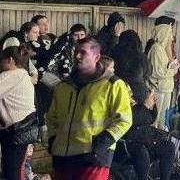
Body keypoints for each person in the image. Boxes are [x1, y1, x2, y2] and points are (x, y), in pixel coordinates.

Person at [46, 38, 132, 180]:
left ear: (96, 57)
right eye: (76, 52)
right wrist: (53, 140)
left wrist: (102, 142)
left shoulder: (112, 85)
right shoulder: (63, 87)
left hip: (93, 157)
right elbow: (51, 118)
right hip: (62, 157)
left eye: (83, 53)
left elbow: (124, 120)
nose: (77, 56)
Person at [123, 83, 176, 180]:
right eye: (128, 92)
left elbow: (150, 119)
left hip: (147, 141)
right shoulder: (122, 106)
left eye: (131, 92)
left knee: (169, 147)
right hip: (132, 143)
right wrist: (146, 106)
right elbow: (133, 120)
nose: (131, 94)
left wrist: (152, 107)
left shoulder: (136, 103)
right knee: (142, 152)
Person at [0, 46, 38, 180]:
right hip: (23, 129)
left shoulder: (10, 75)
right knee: (14, 170)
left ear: (9, 60)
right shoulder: (22, 73)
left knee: (13, 173)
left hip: (17, 131)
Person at [147, 17, 180, 129]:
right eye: (170, 32)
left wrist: (173, 66)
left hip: (166, 88)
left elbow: (166, 68)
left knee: (163, 119)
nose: (172, 36)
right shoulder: (156, 49)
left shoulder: (163, 48)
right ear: (164, 32)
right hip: (158, 88)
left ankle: (162, 139)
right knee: (156, 119)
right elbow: (157, 72)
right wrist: (173, 70)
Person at [113, 30, 150, 95]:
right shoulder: (141, 57)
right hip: (138, 91)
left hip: (118, 90)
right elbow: (147, 73)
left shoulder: (114, 54)